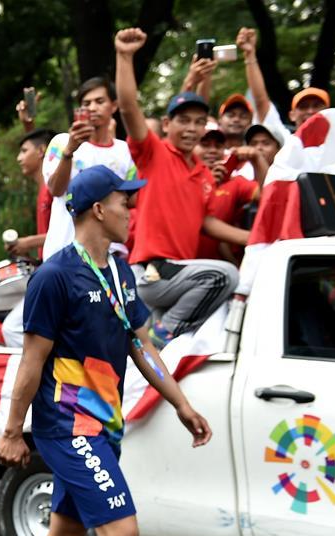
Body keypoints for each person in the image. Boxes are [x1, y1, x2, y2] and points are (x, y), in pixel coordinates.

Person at [0, 165, 212, 536]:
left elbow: (142, 346)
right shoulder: (54, 276)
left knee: (66, 531)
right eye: (123, 202)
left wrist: (181, 404)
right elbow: (31, 361)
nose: (131, 210)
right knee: (121, 534)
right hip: (68, 427)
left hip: (104, 424)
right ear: (98, 209)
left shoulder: (119, 271)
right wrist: (14, 431)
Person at [115, 28, 250, 345]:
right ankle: (157, 339)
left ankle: (154, 346)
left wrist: (260, 239)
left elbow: (207, 222)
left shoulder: (203, 172)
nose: (191, 128)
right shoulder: (155, 153)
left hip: (179, 277)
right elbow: (128, 108)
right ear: (167, 125)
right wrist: (124, 55)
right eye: (183, 120)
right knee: (224, 275)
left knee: (153, 376)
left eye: (198, 122)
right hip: (154, 272)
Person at [41, 76, 138, 261]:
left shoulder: (125, 151)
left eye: (99, 101)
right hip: (64, 251)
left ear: (114, 106)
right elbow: (55, 189)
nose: (92, 108)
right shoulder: (61, 143)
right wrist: (69, 151)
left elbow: (132, 200)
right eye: (86, 103)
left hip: (108, 256)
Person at [237, 27, 330, 136]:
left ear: (328, 112)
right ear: (292, 115)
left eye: (317, 106)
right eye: (303, 107)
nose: (310, 111)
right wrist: (250, 54)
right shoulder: (286, 143)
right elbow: (260, 101)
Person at [194, 124, 265, 263]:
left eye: (218, 146)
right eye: (205, 145)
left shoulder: (235, 182)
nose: (212, 150)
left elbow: (267, 197)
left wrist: (257, 160)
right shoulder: (182, 178)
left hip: (220, 269)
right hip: (180, 265)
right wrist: (207, 183)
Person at [8, 128, 54, 258]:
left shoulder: (56, 187)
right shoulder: (42, 189)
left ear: (41, 151)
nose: (18, 158)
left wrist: (29, 242)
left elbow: (69, 232)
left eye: (24, 151)